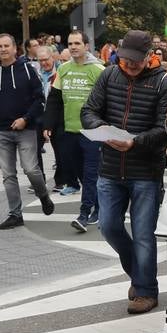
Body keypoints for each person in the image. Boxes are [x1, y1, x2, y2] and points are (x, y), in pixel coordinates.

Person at [81, 30, 167, 314]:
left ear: (150, 57)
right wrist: (100, 128)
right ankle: (139, 274)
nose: (130, 65)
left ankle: (146, 291)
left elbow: (165, 130)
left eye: (136, 60)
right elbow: (89, 110)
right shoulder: (109, 75)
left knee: (144, 234)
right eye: (126, 59)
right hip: (110, 167)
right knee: (109, 226)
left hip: (145, 170)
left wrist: (134, 142)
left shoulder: (164, 82)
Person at [0, 34, 54, 229]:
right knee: (8, 174)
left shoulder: (28, 70)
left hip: (26, 128)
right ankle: (15, 214)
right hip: (2, 130)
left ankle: (43, 195)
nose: (3, 49)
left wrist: (26, 119)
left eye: (7, 45)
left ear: (15, 48)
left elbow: (39, 99)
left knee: (30, 168)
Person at [45, 30, 104, 231]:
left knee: (89, 174)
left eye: (77, 43)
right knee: (79, 172)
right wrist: (49, 124)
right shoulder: (63, 69)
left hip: (92, 132)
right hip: (69, 130)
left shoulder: (98, 69)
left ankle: (84, 214)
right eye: (70, 43)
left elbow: (108, 100)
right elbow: (54, 98)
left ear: (86, 46)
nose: (73, 47)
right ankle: (98, 206)